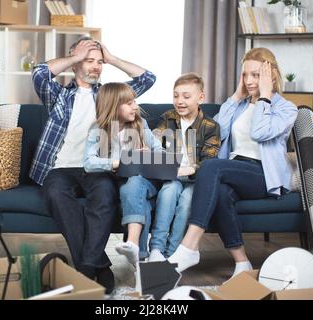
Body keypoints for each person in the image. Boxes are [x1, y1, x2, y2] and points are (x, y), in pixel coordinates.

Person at [30, 36, 156, 294]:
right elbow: (39, 73)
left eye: (99, 62)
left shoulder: (109, 96)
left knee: (105, 195)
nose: (96, 66)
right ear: (75, 62)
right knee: (54, 193)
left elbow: (148, 79)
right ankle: (97, 265)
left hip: (97, 166)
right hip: (61, 167)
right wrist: (76, 57)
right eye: (89, 60)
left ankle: (85, 268)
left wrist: (111, 58)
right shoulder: (59, 96)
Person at [168, 47, 298, 278]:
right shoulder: (238, 105)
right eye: (245, 74)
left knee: (210, 166)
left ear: (272, 76)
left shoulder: (286, 109)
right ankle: (242, 263)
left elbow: (260, 132)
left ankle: (189, 246)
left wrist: (265, 97)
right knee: (221, 191)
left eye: (256, 75)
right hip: (233, 170)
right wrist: (237, 96)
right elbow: (216, 131)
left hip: (262, 175)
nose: (248, 81)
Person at [83, 82, 163, 265]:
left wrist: (149, 154)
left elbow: (161, 153)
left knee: (134, 184)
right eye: (129, 103)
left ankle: (134, 245)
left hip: (144, 179)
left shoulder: (140, 124)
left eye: (135, 101)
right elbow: (88, 162)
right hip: (122, 180)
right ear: (112, 106)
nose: (135, 106)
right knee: (135, 194)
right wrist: (118, 162)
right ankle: (140, 259)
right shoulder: (98, 128)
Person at [146, 73, 220, 262]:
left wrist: (191, 169)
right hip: (173, 175)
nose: (180, 101)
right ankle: (156, 248)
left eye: (186, 97)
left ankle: (172, 254)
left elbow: (210, 161)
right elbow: (155, 141)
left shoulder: (211, 126)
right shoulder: (168, 118)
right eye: (176, 96)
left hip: (195, 179)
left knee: (187, 200)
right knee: (169, 191)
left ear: (200, 98)